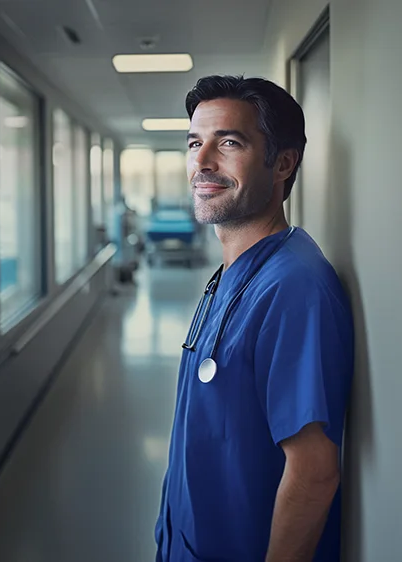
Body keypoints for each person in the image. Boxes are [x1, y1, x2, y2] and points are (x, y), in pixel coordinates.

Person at [154, 75, 354, 562]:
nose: (202, 162)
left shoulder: (293, 288)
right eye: (195, 143)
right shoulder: (233, 274)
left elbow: (314, 472)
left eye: (229, 143)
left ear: (283, 163)